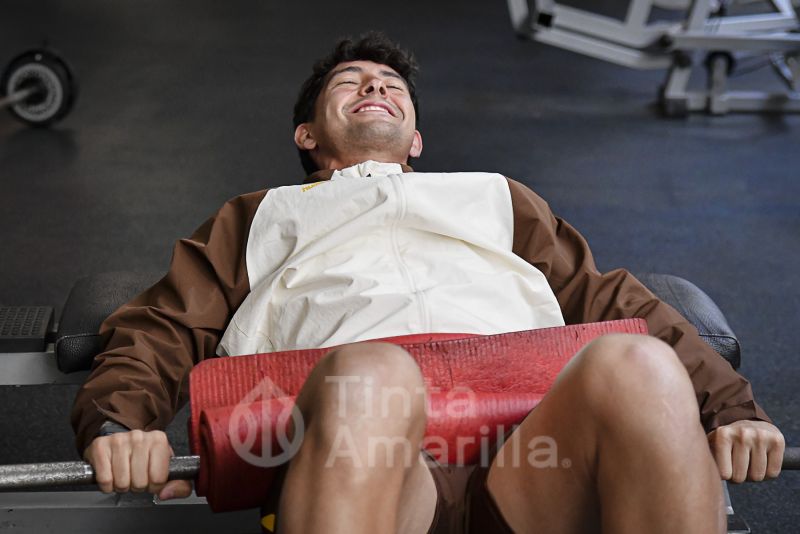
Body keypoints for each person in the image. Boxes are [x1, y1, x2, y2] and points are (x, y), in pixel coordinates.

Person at [72, 32, 785, 534]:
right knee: (373, 374)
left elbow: (613, 301)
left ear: (415, 139)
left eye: (392, 86)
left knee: (638, 362)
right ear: (307, 135)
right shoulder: (261, 215)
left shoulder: (498, 198)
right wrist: (120, 423)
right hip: (365, 453)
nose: (375, 86)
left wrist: (731, 409)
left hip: (534, 455)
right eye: (350, 82)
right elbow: (163, 325)